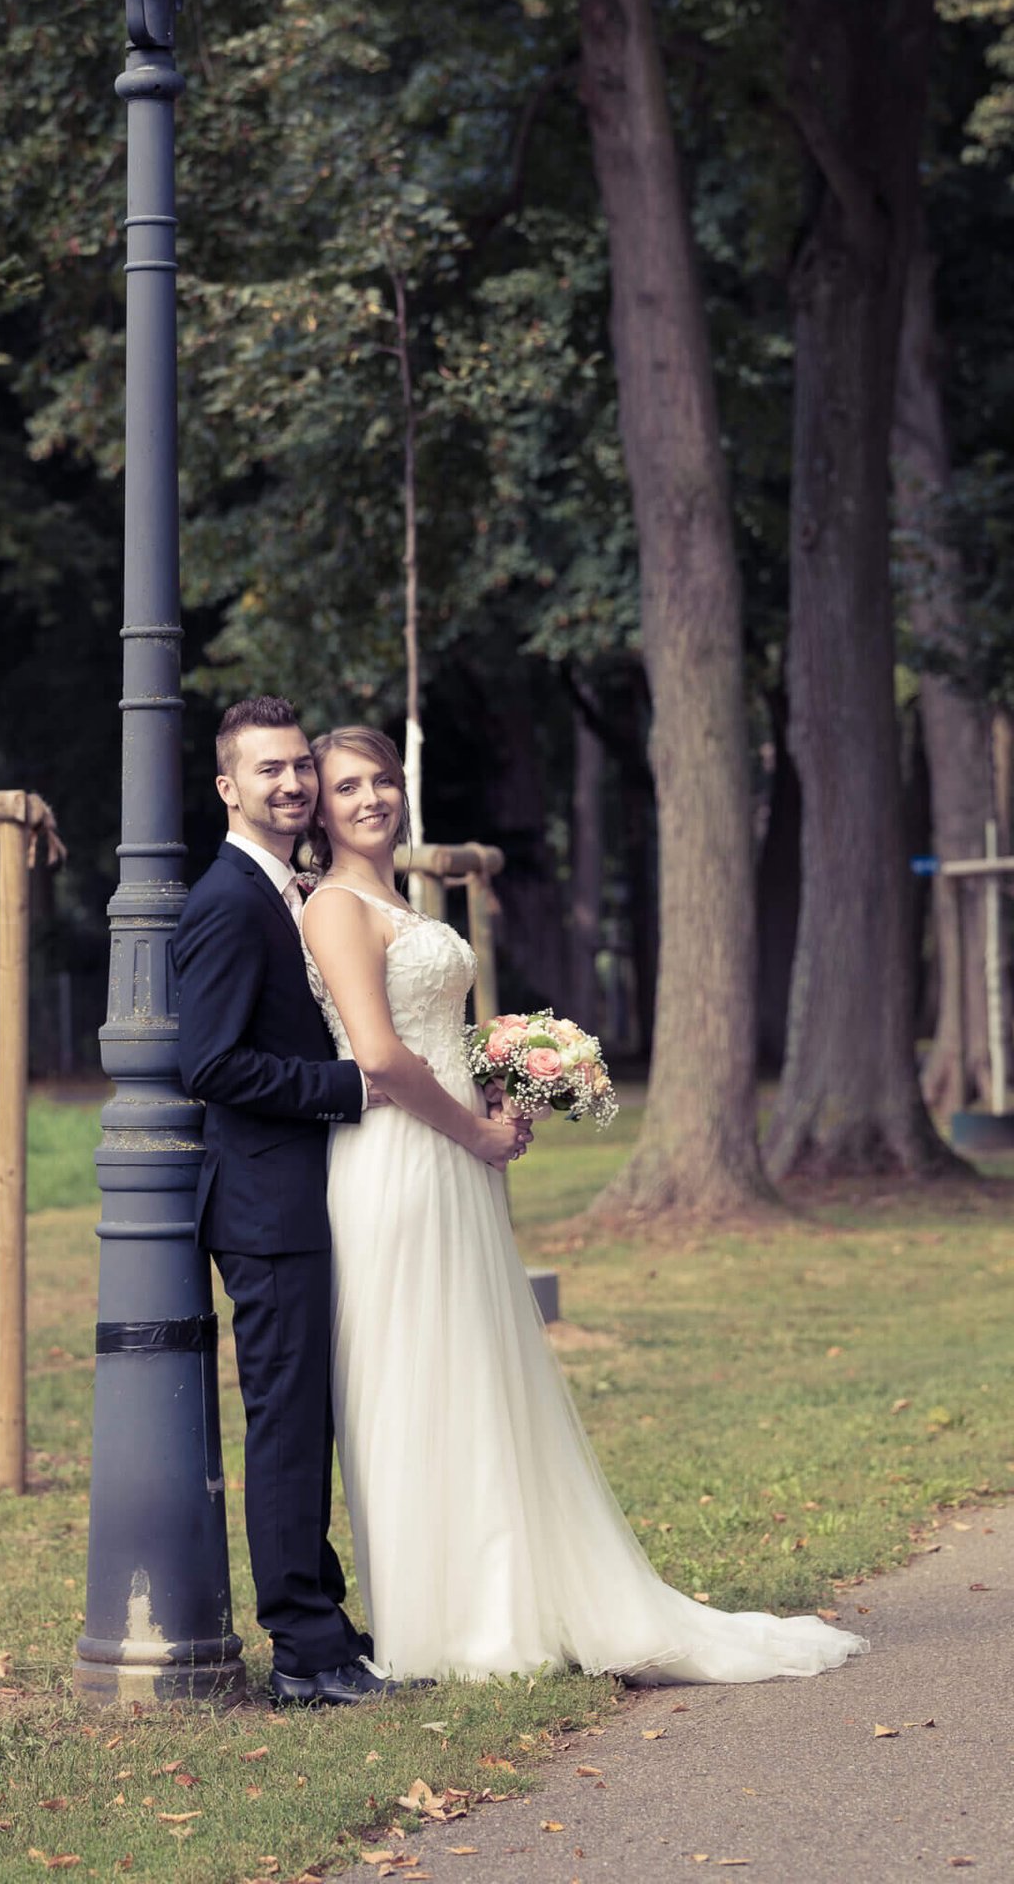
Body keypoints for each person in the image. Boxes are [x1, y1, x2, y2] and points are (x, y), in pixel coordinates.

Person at [300, 722, 869, 1688]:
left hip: (453, 1155)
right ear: (319, 806)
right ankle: (442, 1625)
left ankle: (509, 1595)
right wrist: (473, 1132)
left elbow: (434, 1037)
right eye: (348, 786)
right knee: (412, 1375)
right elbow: (381, 1057)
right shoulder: (335, 908)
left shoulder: (403, 896)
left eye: (383, 780)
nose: (371, 799)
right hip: (394, 1161)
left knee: (479, 1371)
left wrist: (497, 1087)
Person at [171, 696, 529, 1708]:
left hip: (321, 1188)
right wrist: (350, 1087)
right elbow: (207, 1063)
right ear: (226, 786)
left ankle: (330, 1626)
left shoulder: (289, 888)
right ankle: (305, 1657)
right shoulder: (228, 900)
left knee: (317, 1419)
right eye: (268, 770)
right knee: (288, 1427)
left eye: (298, 767)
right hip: (265, 1203)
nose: (289, 784)